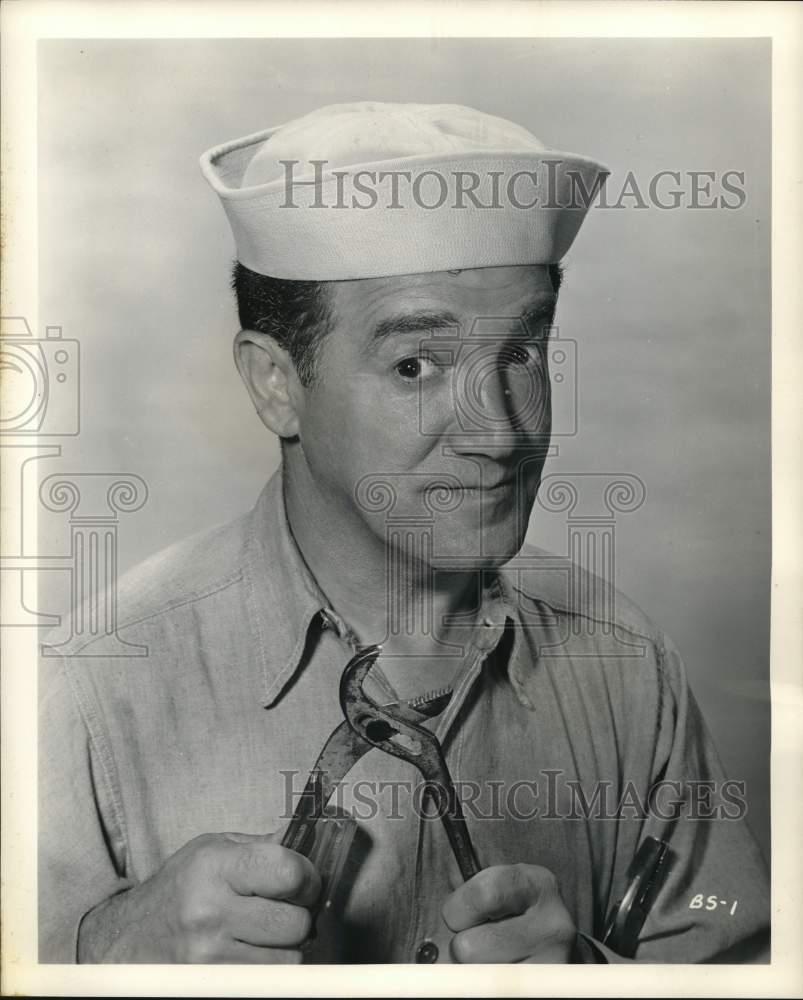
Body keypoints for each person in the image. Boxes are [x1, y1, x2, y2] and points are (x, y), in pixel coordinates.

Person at [39, 102, 770, 964]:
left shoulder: (628, 664)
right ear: (275, 385)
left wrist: (589, 975)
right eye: (416, 366)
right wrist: (108, 948)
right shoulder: (95, 684)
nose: (498, 433)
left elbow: (729, 945)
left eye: (521, 353)